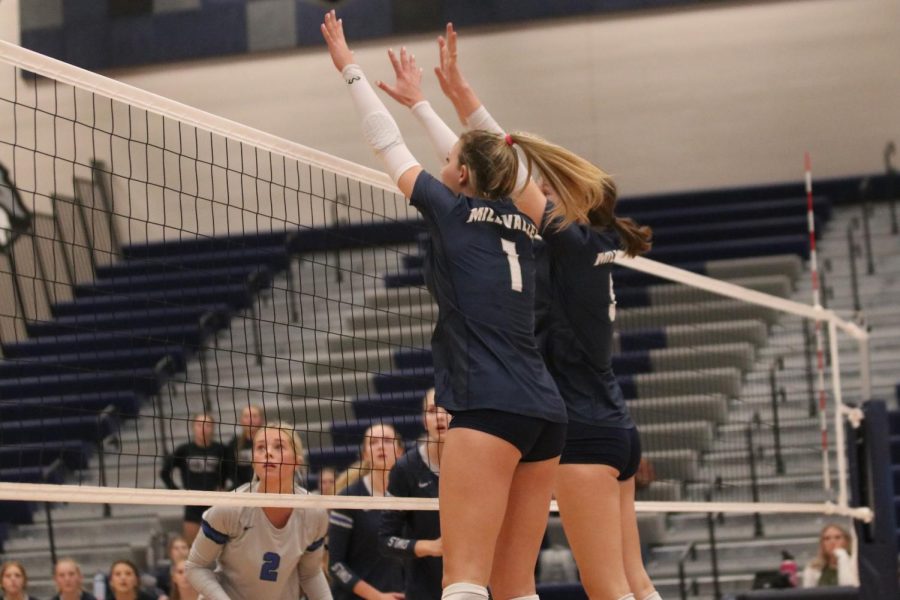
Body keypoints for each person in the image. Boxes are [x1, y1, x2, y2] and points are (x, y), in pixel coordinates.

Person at [399, 24, 660, 600]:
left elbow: (500, 172)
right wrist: (439, 101)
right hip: (614, 424)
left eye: (545, 191)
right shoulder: (592, 247)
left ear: (570, 206)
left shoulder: (563, 240)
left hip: (581, 430)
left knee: (609, 587)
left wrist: (462, 99)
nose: (533, 191)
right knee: (633, 582)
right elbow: (489, 175)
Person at [323, 13, 575, 600]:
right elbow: (484, 165)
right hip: (546, 413)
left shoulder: (451, 212)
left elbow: (385, 144)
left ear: (460, 174)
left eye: (451, 159)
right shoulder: (526, 220)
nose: (444, 162)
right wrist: (422, 104)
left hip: (487, 407)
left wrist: (350, 69)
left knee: (463, 582)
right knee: (517, 587)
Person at [184, 421, 331, 600]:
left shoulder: (314, 513)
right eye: (261, 447)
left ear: (297, 462)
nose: (268, 452)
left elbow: (311, 574)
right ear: (254, 462)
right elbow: (195, 566)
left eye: (279, 446)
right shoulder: (230, 508)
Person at [379, 389, 448, 600]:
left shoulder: (478, 462)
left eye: (447, 410)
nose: (439, 415)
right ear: (424, 421)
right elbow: (385, 540)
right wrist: (430, 547)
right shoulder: (406, 469)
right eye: (431, 410)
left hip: (476, 584)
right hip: (424, 591)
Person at [328, 424, 406, 600]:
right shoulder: (349, 497)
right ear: (365, 454)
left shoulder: (410, 497)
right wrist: (376, 596)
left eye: (387, 441)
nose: (380, 446)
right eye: (373, 442)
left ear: (400, 451)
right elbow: (335, 565)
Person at [160, 413, 229, 544]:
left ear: (213, 428)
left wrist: (225, 489)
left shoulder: (221, 450)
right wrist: (175, 491)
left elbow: (232, 472)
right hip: (192, 503)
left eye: (208, 425)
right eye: (199, 425)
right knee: (191, 549)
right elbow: (164, 472)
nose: (203, 428)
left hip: (215, 504)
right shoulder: (184, 450)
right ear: (193, 427)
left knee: (220, 549)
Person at [226, 405, 265, 489]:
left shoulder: (269, 442)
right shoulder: (233, 444)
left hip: (265, 488)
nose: (250, 419)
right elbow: (230, 471)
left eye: (254, 416)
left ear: (261, 420)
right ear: (241, 420)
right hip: (240, 489)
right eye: (246, 416)